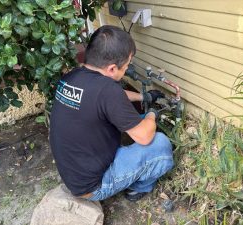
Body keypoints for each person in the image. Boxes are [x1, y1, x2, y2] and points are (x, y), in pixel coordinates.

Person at [49, 25, 174, 202]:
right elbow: (145, 136)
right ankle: (137, 188)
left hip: (75, 173)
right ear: (113, 69)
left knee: (137, 121)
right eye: (127, 65)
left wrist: (142, 96)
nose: (126, 69)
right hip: (94, 186)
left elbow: (110, 99)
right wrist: (152, 113)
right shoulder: (107, 90)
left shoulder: (73, 76)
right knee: (160, 143)